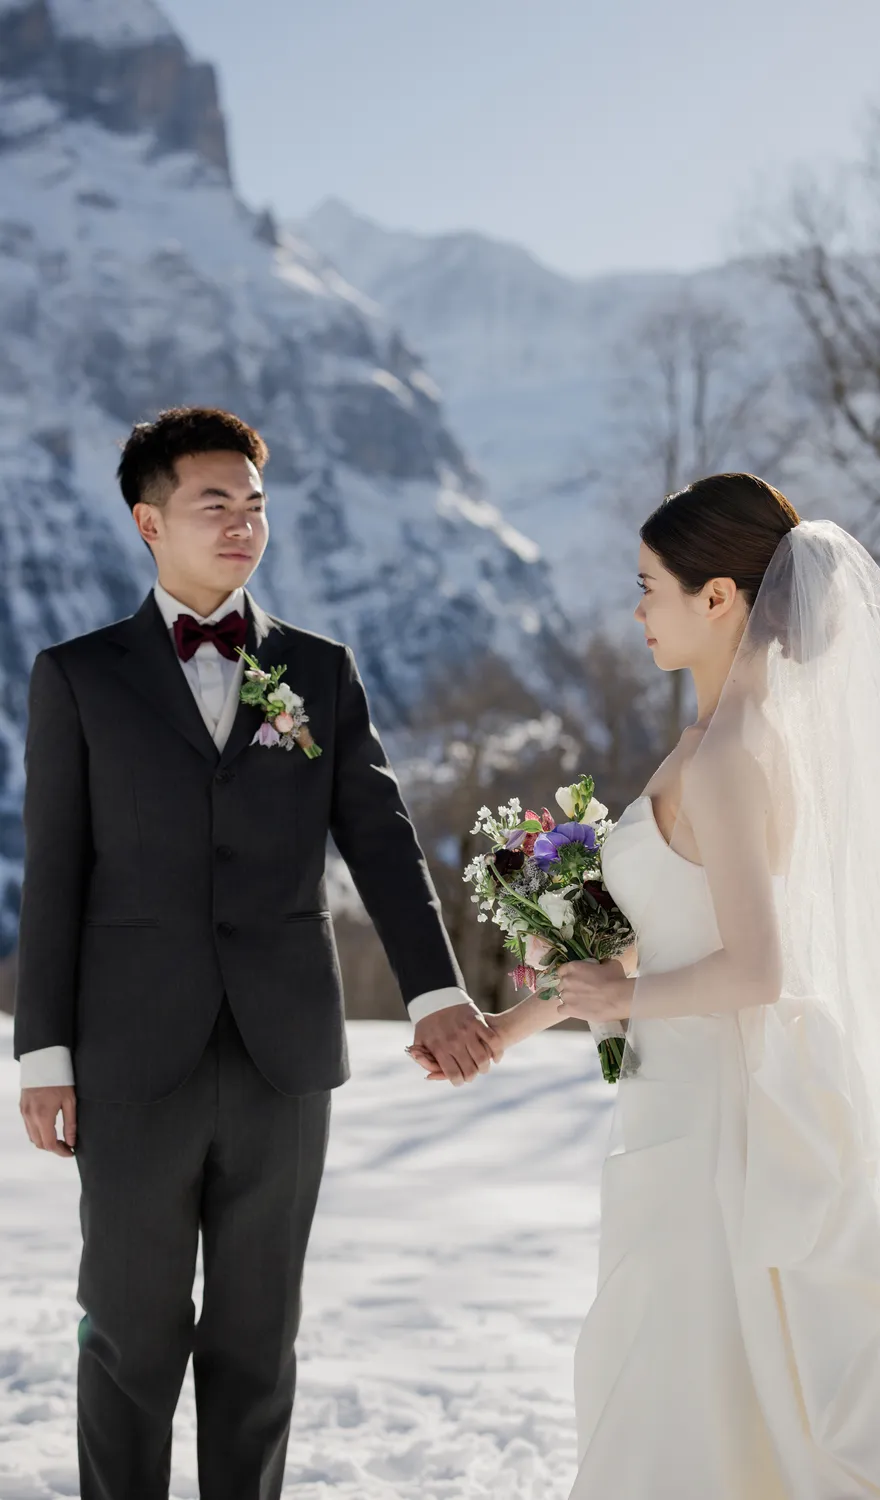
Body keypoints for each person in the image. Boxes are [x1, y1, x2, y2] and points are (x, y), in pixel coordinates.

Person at [415, 474, 880, 1497]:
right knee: (686, 1372)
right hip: (681, 1103)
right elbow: (649, 941)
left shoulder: (732, 756)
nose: (637, 611)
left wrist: (619, 1003)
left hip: (722, 1125)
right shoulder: (705, 746)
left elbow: (756, 967)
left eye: (650, 587)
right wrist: (509, 1029)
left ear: (719, 597)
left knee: (699, 1377)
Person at [13, 406, 500, 1500]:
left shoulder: (319, 672)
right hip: (130, 1059)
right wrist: (43, 1053)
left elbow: (379, 837)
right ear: (149, 521)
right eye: (213, 504)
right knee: (131, 1335)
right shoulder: (77, 677)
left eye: (256, 506)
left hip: (286, 1053)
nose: (243, 526)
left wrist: (432, 991)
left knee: (257, 1338)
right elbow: (56, 874)